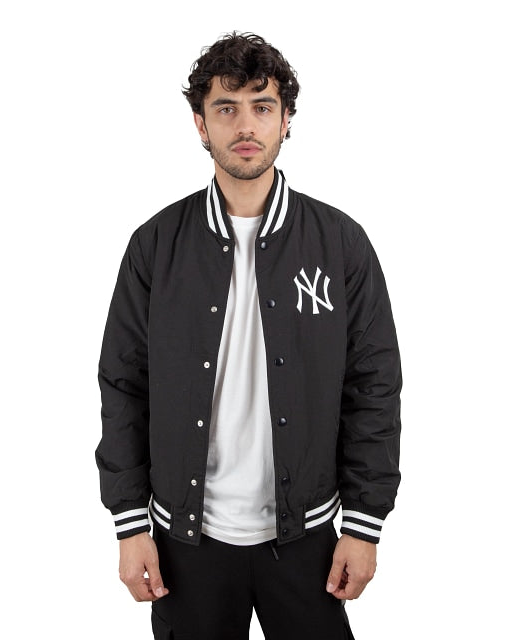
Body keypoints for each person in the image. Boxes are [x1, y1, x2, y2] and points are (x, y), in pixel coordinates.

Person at [96, 32, 402, 640]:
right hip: (186, 540)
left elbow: (373, 387)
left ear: (286, 121)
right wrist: (130, 525)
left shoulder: (340, 243)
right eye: (226, 107)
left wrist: (364, 524)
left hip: (308, 536)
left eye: (262, 107)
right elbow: (124, 385)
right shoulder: (155, 245)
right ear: (200, 124)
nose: (245, 125)